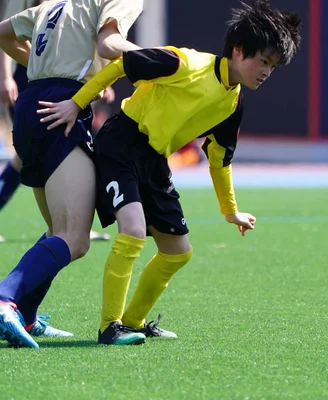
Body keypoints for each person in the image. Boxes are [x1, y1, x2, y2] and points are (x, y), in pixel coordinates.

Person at [38, 0, 301, 346]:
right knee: (132, 229)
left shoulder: (232, 103)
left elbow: (219, 160)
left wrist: (230, 211)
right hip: (122, 141)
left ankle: (133, 322)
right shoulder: (186, 63)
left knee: (178, 251)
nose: (267, 71)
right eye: (263, 61)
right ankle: (109, 326)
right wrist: (77, 103)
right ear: (238, 50)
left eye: (273, 66)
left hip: (154, 159)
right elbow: (121, 65)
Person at [0, 0, 143, 348]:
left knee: (56, 231)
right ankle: (5, 298)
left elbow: (3, 34)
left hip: (32, 108)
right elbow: (109, 45)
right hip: (61, 108)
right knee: (75, 238)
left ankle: (27, 316)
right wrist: (166, 60)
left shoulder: (53, 4)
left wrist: (42, 68)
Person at [0, 0, 112, 243]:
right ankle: (69, 225)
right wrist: (5, 76)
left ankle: (69, 224)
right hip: (34, 81)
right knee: (28, 156)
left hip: (56, 83)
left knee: (44, 154)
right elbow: (7, 31)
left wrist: (100, 78)